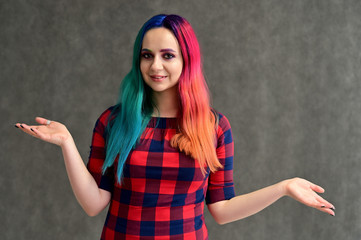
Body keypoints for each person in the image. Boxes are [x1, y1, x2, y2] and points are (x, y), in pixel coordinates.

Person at [15, 14, 335, 240]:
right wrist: (67, 144)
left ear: (186, 60)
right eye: (147, 55)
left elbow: (221, 210)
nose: (155, 66)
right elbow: (93, 203)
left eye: (168, 55)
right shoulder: (114, 121)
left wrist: (283, 188)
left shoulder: (215, 127)